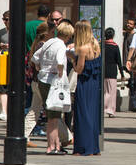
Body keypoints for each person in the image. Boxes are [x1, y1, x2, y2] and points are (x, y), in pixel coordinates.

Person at [33, 22, 72, 154]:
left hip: (42, 79)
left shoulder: (49, 42)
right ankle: (53, 147)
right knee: (54, 117)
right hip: (53, 82)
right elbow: (60, 61)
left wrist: (41, 67)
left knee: (50, 116)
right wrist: (60, 74)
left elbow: (35, 57)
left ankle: (54, 145)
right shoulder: (61, 45)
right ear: (67, 35)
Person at [71, 21, 102, 155]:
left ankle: (84, 147)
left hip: (84, 83)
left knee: (82, 113)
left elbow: (79, 69)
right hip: (94, 84)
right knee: (92, 114)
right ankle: (94, 147)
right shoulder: (95, 45)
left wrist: (72, 59)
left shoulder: (83, 48)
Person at [101, 28, 123, 118]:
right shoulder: (115, 46)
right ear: (113, 35)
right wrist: (122, 73)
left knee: (104, 91)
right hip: (112, 71)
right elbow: (119, 61)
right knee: (111, 92)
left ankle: (102, 107)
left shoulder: (102, 46)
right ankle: (110, 110)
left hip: (102, 71)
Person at [0, 10, 11, 121]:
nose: (5, 22)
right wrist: (1, 47)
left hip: (13, 60)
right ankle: (3, 111)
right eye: (4, 19)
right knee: (3, 87)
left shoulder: (18, 30)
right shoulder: (1, 32)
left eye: (7, 19)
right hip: (3, 58)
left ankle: (10, 111)